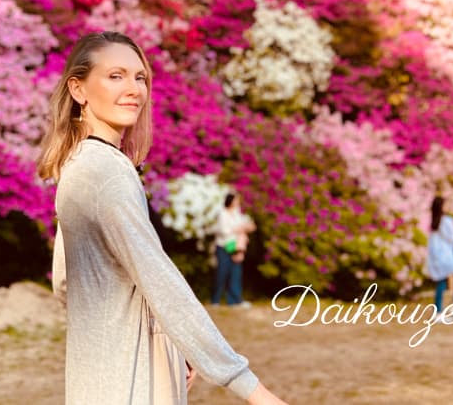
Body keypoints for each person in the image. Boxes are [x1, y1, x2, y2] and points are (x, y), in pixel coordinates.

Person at [38, 31, 288, 405]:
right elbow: (161, 282)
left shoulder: (78, 165)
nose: (134, 89)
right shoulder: (109, 174)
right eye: (116, 75)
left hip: (94, 377)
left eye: (140, 78)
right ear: (78, 89)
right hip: (131, 382)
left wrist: (162, 339)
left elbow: (65, 282)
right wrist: (255, 392)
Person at [426, 196, 453, 324]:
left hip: (438, 255)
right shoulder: (445, 221)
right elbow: (452, 237)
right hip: (445, 256)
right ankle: (449, 308)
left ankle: (441, 310)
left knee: (442, 282)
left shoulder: (435, 221)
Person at [213, 193, 255, 308]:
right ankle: (215, 299)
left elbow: (246, 227)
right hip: (224, 246)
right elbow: (224, 231)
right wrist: (240, 228)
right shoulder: (223, 213)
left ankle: (234, 300)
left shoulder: (238, 213)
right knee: (222, 273)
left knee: (235, 273)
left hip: (236, 246)